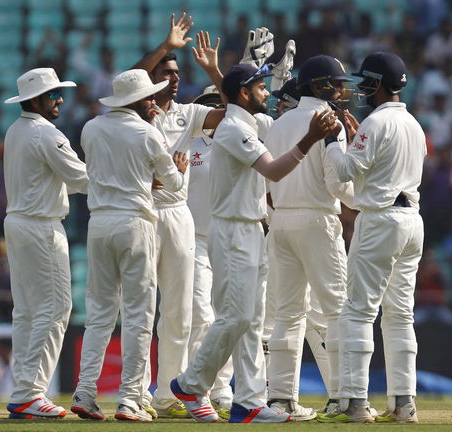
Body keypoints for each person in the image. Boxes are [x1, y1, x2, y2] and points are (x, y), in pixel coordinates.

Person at [171, 62, 339, 423]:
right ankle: (190, 381)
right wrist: (310, 139)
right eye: (261, 88)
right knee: (236, 316)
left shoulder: (250, 122)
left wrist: (271, 78)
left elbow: (272, 117)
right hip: (231, 231)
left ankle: (248, 401)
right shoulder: (232, 128)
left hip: (252, 228)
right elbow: (274, 171)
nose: (267, 93)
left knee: (252, 319)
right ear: (245, 94)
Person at [70, 69, 188, 422]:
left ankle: (85, 391)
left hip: (99, 224)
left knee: (100, 313)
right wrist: (174, 166)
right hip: (136, 224)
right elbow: (175, 185)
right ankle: (130, 399)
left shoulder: (91, 127)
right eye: (149, 97)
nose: (154, 101)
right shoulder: (148, 134)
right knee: (138, 315)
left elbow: (107, 168)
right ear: (136, 101)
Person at [131, 13, 226, 418]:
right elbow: (129, 79)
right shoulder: (134, 113)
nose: (173, 77)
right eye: (165, 71)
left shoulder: (188, 114)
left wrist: (215, 72)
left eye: (176, 72)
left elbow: (236, 112)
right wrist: (166, 48)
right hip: (142, 213)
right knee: (141, 306)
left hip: (178, 215)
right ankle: (135, 394)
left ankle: (172, 394)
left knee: (180, 311)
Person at [324, 51, 426, 423]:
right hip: (412, 220)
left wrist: (332, 141)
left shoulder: (375, 121)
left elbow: (349, 170)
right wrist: (356, 138)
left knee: (357, 312)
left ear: (378, 83)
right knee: (400, 315)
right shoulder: (413, 124)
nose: (362, 87)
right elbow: (383, 164)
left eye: (366, 81)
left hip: (380, 220)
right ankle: (404, 404)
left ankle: (353, 401)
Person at [265, 55, 356, 422]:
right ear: (319, 86)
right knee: (336, 310)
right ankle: (343, 397)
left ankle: (282, 399)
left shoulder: (279, 123)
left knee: (286, 315)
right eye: (336, 84)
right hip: (318, 219)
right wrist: (363, 199)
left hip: (282, 221)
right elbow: (340, 185)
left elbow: (269, 180)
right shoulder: (330, 123)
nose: (341, 90)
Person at [3, 68, 88, 419]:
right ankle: (30, 393)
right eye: (53, 95)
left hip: (19, 223)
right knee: (55, 309)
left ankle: (23, 390)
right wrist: (128, 178)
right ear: (35, 100)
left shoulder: (16, 130)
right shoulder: (45, 134)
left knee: (26, 312)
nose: (60, 100)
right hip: (40, 227)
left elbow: (47, 180)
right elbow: (81, 177)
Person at [186, 87, 234, 420]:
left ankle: (223, 389)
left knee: (227, 316)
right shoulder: (187, 144)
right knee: (201, 316)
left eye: (221, 105)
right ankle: (198, 389)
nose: (216, 111)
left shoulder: (236, 144)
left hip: (228, 238)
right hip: (193, 239)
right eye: (209, 106)